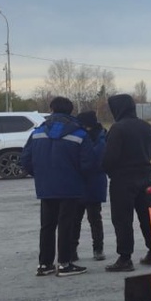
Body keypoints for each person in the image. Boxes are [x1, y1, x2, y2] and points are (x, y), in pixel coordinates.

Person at [20, 96, 95, 277]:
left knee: (47, 225)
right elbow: (88, 163)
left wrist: (40, 175)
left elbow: (26, 160)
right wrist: (80, 178)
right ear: (71, 111)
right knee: (66, 225)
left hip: (45, 186)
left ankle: (45, 264)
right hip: (70, 186)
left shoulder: (37, 132)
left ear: (51, 109)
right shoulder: (80, 134)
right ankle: (65, 263)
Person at [101, 93, 151, 272]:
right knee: (147, 217)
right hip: (146, 178)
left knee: (122, 219)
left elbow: (110, 157)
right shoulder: (147, 127)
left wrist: (107, 169)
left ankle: (125, 258)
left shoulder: (117, 129)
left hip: (122, 180)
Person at [74, 110, 108, 261]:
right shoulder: (102, 135)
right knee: (79, 219)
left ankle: (97, 248)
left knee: (92, 219)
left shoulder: (97, 137)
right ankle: (75, 249)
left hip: (89, 181)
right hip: (89, 182)